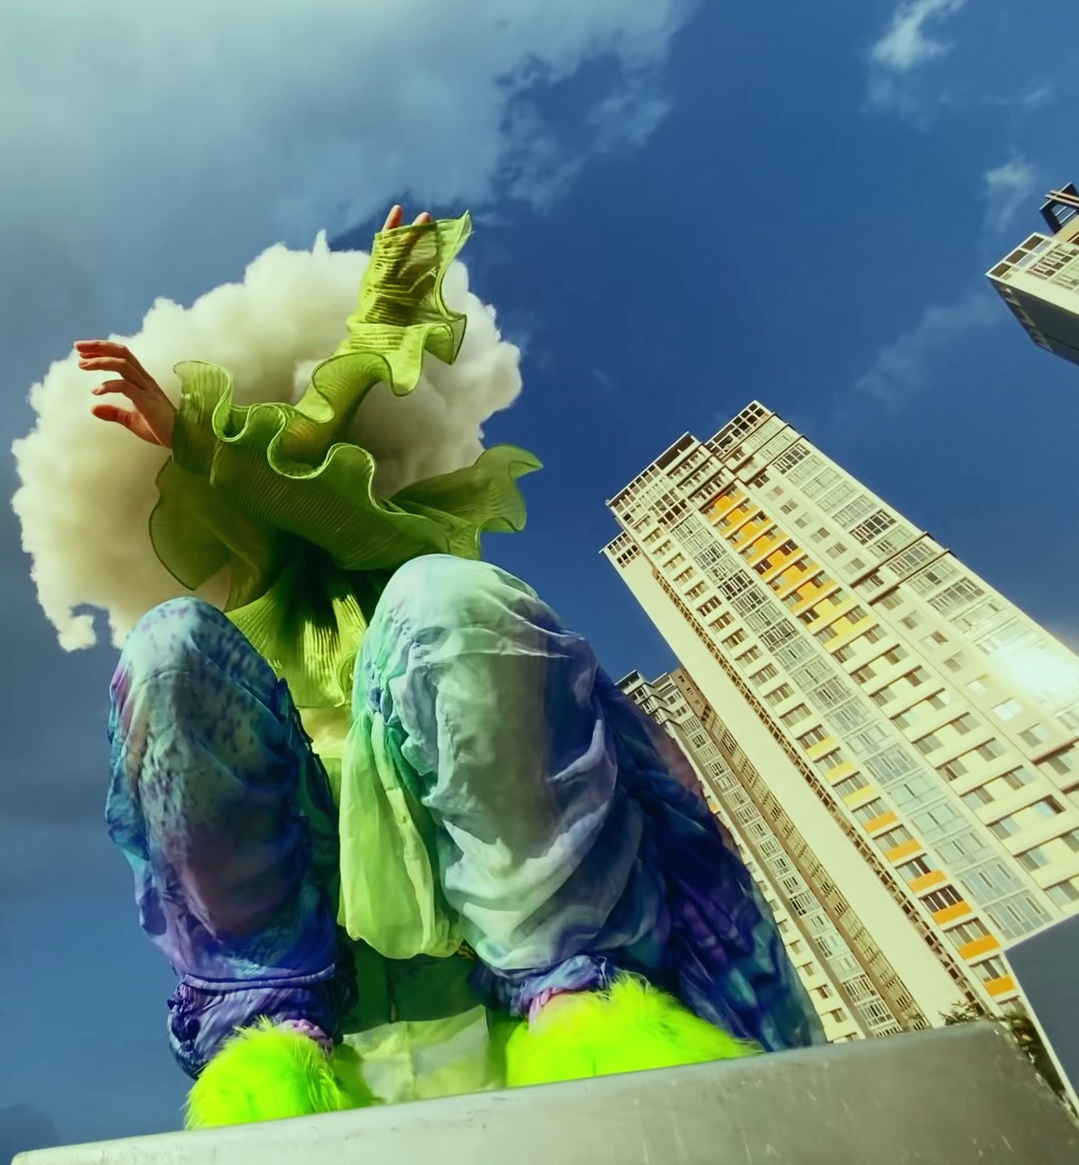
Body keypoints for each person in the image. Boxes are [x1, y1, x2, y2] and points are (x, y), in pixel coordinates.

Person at [79, 206, 822, 1129]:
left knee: (447, 599)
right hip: (331, 976)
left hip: (517, 954)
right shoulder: (234, 655)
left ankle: (580, 998)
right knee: (166, 646)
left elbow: (306, 459)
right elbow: (281, 479)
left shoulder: (414, 570)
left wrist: (362, 331)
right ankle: (263, 1028)